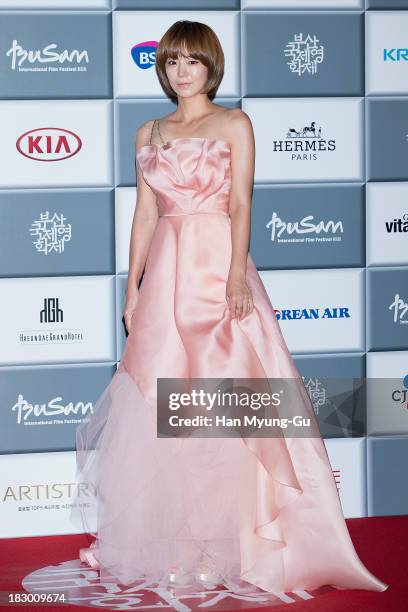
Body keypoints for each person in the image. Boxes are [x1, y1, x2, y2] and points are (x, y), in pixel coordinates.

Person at [70, 20, 389, 596]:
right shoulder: (150, 131)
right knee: (159, 397)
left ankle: (237, 542)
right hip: (166, 269)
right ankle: (166, 540)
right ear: (162, 69)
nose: (181, 71)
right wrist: (131, 287)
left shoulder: (235, 122)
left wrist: (237, 273)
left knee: (227, 402)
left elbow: (241, 201)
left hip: (218, 265)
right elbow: (145, 214)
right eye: (171, 62)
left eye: (192, 60)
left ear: (210, 65)